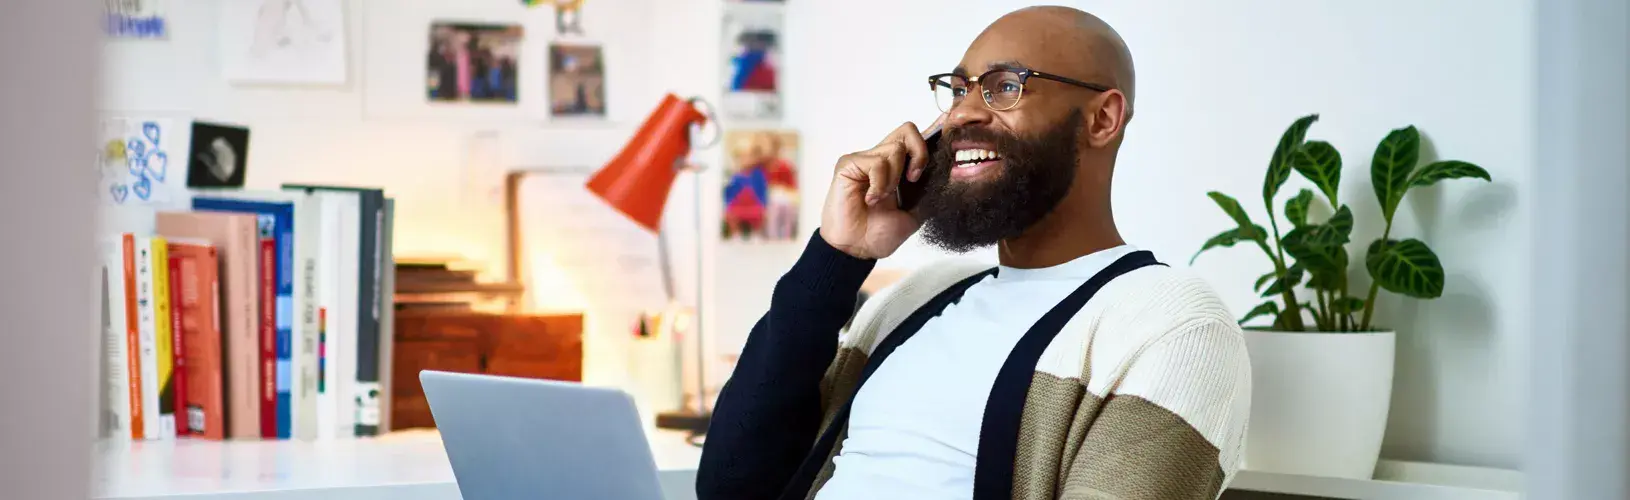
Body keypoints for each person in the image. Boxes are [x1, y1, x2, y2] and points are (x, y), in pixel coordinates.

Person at [696, 6, 1252, 500]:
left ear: (1101, 119)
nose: (961, 114)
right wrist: (839, 257)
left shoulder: (1173, 326)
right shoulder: (916, 299)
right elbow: (731, 483)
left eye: (1004, 86)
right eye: (959, 89)